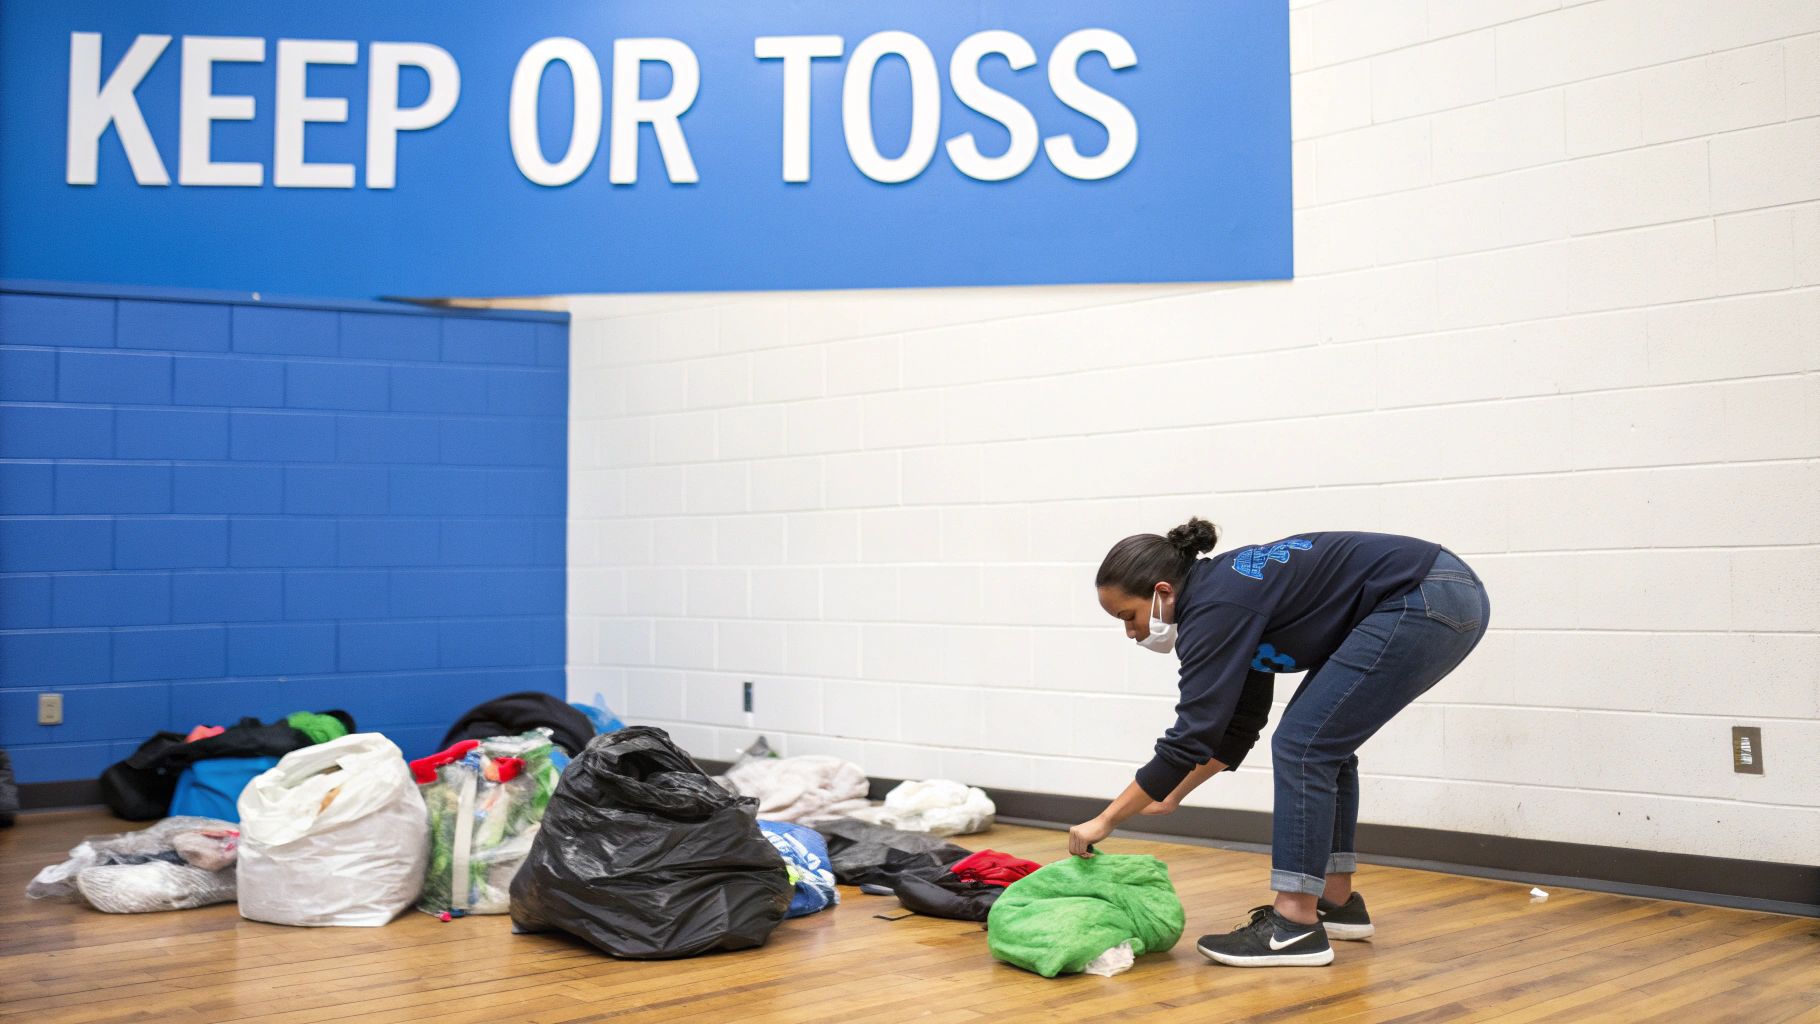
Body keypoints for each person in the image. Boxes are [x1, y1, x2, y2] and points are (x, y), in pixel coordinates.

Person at [1068, 517, 1489, 967]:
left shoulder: (1216, 609)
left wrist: (1106, 820)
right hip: (1441, 590)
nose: (1130, 632)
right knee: (1321, 745)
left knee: (1304, 745)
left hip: (1423, 595)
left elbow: (1191, 733)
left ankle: (1294, 926)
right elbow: (1237, 727)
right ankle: (1334, 899)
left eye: (1127, 616)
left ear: (1163, 592)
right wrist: (1174, 794)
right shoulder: (1225, 600)